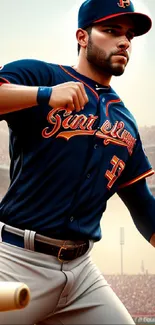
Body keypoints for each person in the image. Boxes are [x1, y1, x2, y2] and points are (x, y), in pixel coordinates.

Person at [0, 0, 154, 324]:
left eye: (129, 35)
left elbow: (143, 207)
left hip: (81, 273)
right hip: (15, 260)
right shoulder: (43, 75)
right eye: (111, 31)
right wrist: (43, 95)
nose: (124, 41)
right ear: (82, 37)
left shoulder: (125, 123)